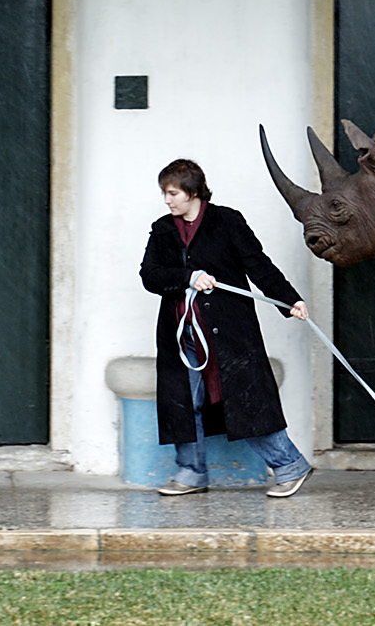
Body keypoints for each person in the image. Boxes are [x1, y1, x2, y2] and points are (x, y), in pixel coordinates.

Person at [140, 158, 313, 498]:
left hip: (230, 332)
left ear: (192, 191)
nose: (167, 200)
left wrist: (288, 299)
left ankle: (290, 467)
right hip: (183, 335)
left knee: (245, 399)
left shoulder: (227, 221)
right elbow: (150, 275)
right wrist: (187, 277)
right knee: (183, 403)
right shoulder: (162, 229)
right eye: (164, 193)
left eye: (172, 193)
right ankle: (191, 473)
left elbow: (257, 264)